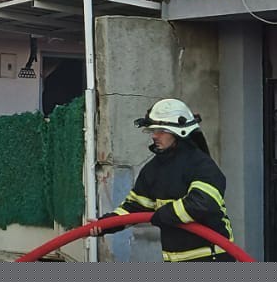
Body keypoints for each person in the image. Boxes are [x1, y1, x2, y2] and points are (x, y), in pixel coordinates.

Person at [95, 97, 234, 262]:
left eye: (161, 130)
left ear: (178, 132)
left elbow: (202, 203)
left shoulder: (201, 165)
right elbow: (134, 209)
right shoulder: (153, 170)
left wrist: (164, 214)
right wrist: (106, 223)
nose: (154, 136)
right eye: (153, 131)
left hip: (211, 257)